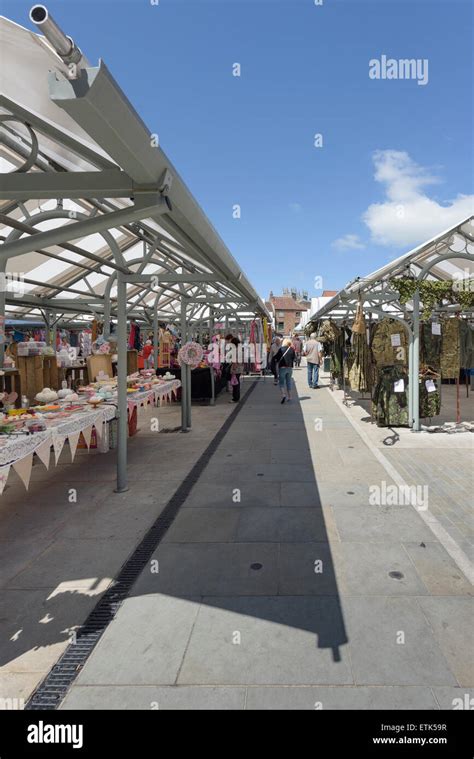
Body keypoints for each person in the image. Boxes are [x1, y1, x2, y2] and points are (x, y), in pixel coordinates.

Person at [274, 337, 295, 404]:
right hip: (289, 368)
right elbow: (294, 358)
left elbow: (276, 358)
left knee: (282, 382)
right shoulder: (292, 349)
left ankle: (283, 394)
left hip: (282, 368)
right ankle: (290, 396)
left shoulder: (281, 349)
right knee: (288, 382)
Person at [229, 336, 244, 403]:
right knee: (236, 383)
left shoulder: (235, 350)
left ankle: (235, 398)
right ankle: (236, 397)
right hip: (240, 368)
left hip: (236, 369)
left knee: (235, 384)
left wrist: (234, 370)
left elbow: (235, 361)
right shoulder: (240, 349)